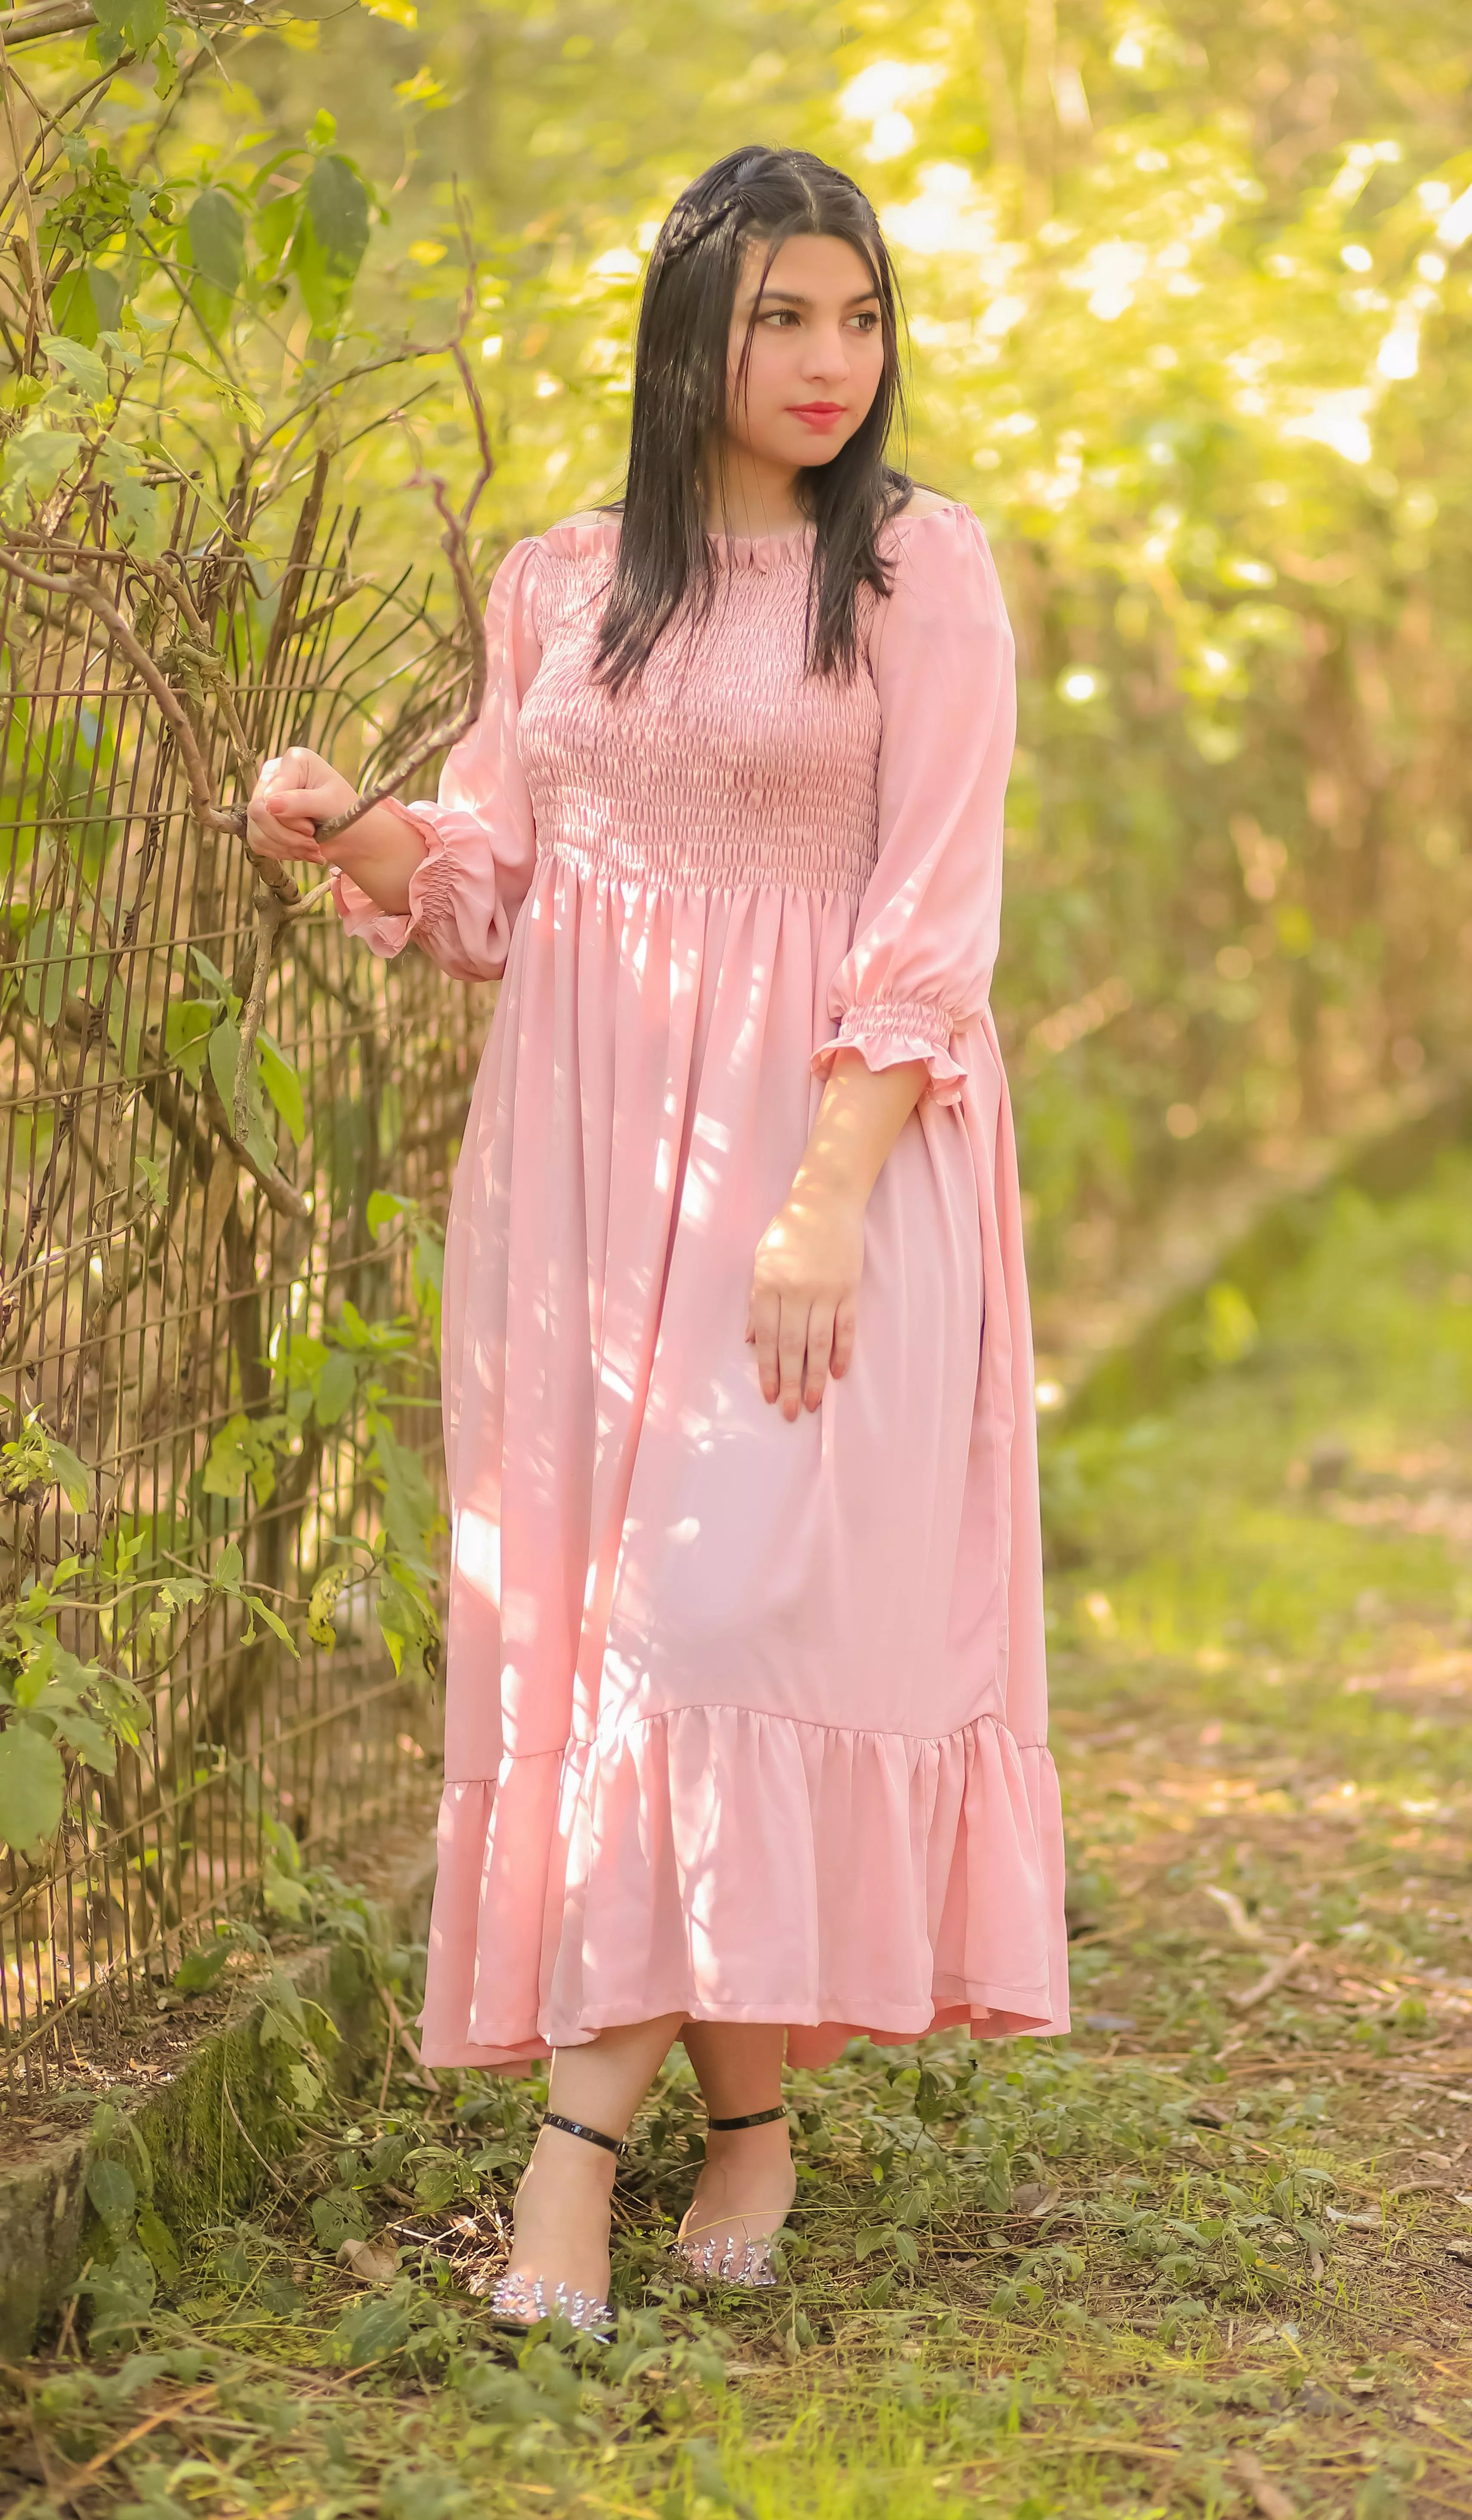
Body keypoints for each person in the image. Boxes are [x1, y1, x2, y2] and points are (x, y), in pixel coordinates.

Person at [246, 143, 1068, 2337]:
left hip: (833, 1176)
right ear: (689, 326)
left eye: (859, 317)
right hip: (596, 1192)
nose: (826, 361)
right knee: (631, 1641)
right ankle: (755, 2115)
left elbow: (934, 926)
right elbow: (495, 884)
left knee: (708, 1623)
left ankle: (562, 2184)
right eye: (782, 314)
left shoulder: (916, 574)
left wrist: (821, 1201)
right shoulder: (562, 587)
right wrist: (351, 824)